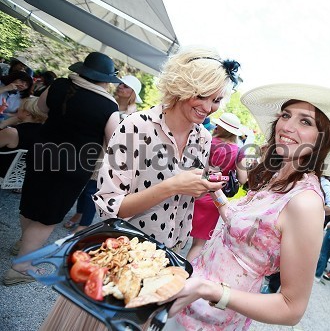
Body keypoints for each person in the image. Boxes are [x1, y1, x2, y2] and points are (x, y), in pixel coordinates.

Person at [38, 46, 240, 331]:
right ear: (181, 86)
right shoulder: (136, 126)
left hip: (164, 260)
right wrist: (171, 186)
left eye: (216, 100)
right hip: (120, 255)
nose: (208, 107)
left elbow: (183, 194)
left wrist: (201, 187)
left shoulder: (203, 137)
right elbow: (112, 206)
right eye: (201, 95)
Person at [163, 83, 330, 330]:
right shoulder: (276, 178)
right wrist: (215, 191)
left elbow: (291, 308)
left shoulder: (306, 202)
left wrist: (211, 290)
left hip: (213, 319)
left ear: (323, 140)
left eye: (305, 122)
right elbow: (240, 224)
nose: (287, 126)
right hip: (191, 295)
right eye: (286, 116)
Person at [2, 52, 122, 286]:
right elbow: (114, 143)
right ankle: (20, 268)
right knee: (48, 216)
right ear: (105, 79)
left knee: (31, 203)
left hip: (42, 152)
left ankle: (24, 243)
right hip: (73, 166)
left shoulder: (60, 85)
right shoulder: (109, 105)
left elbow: (41, 108)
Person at [63, 75, 143, 232]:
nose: (120, 86)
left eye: (126, 86)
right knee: (83, 186)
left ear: (132, 93)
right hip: (91, 149)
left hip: (108, 156)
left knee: (92, 190)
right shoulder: (109, 103)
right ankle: (78, 214)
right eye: (120, 83)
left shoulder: (134, 115)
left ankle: (84, 224)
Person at [186, 112, 248, 261]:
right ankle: (183, 275)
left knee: (177, 235)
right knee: (198, 244)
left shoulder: (206, 141)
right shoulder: (239, 151)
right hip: (214, 198)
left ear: (219, 126)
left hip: (192, 190)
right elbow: (243, 179)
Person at [0, 97, 47, 178]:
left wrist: (4, 123)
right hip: (25, 179)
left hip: (3, 174)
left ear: (27, 113)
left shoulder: (13, 133)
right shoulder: (48, 134)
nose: (18, 108)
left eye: (20, 107)